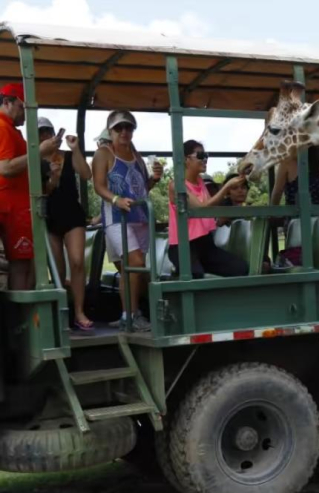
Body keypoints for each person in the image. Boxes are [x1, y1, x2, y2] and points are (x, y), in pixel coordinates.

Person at [92, 110, 163, 331]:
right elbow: (98, 186)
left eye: (129, 127)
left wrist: (154, 179)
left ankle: (129, 315)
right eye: (119, 128)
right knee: (135, 264)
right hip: (116, 218)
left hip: (139, 217)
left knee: (131, 271)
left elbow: (142, 190)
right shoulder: (104, 153)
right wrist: (116, 200)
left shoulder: (137, 155)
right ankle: (131, 315)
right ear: (110, 131)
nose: (124, 132)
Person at [0, 83, 62, 290]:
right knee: (20, 267)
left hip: (18, 209)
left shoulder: (13, 132)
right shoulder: (3, 129)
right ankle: (20, 319)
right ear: (7, 102)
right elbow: (6, 168)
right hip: (9, 210)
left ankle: (22, 318)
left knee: (24, 265)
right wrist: (39, 152)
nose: (25, 115)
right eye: (22, 108)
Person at [38, 117, 94, 331]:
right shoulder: (35, 160)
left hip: (72, 215)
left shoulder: (69, 156)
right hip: (50, 217)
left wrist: (75, 148)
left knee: (78, 262)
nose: (46, 136)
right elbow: (41, 193)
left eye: (48, 132)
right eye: (41, 133)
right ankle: (61, 315)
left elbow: (87, 174)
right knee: (58, 269)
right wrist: (53, 179)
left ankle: (80, 312)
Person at [167, 140, 248, 279]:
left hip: (205, 244)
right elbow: (201, 209)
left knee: (241, 268)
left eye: (206, 155)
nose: (205, 159)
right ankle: (177, 277)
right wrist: (226, 187)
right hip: (183, 247)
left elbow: (211, 207)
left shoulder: (200, 182)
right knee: (196, 275)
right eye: (200, 155)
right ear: (186, 159)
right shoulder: (176, 185)